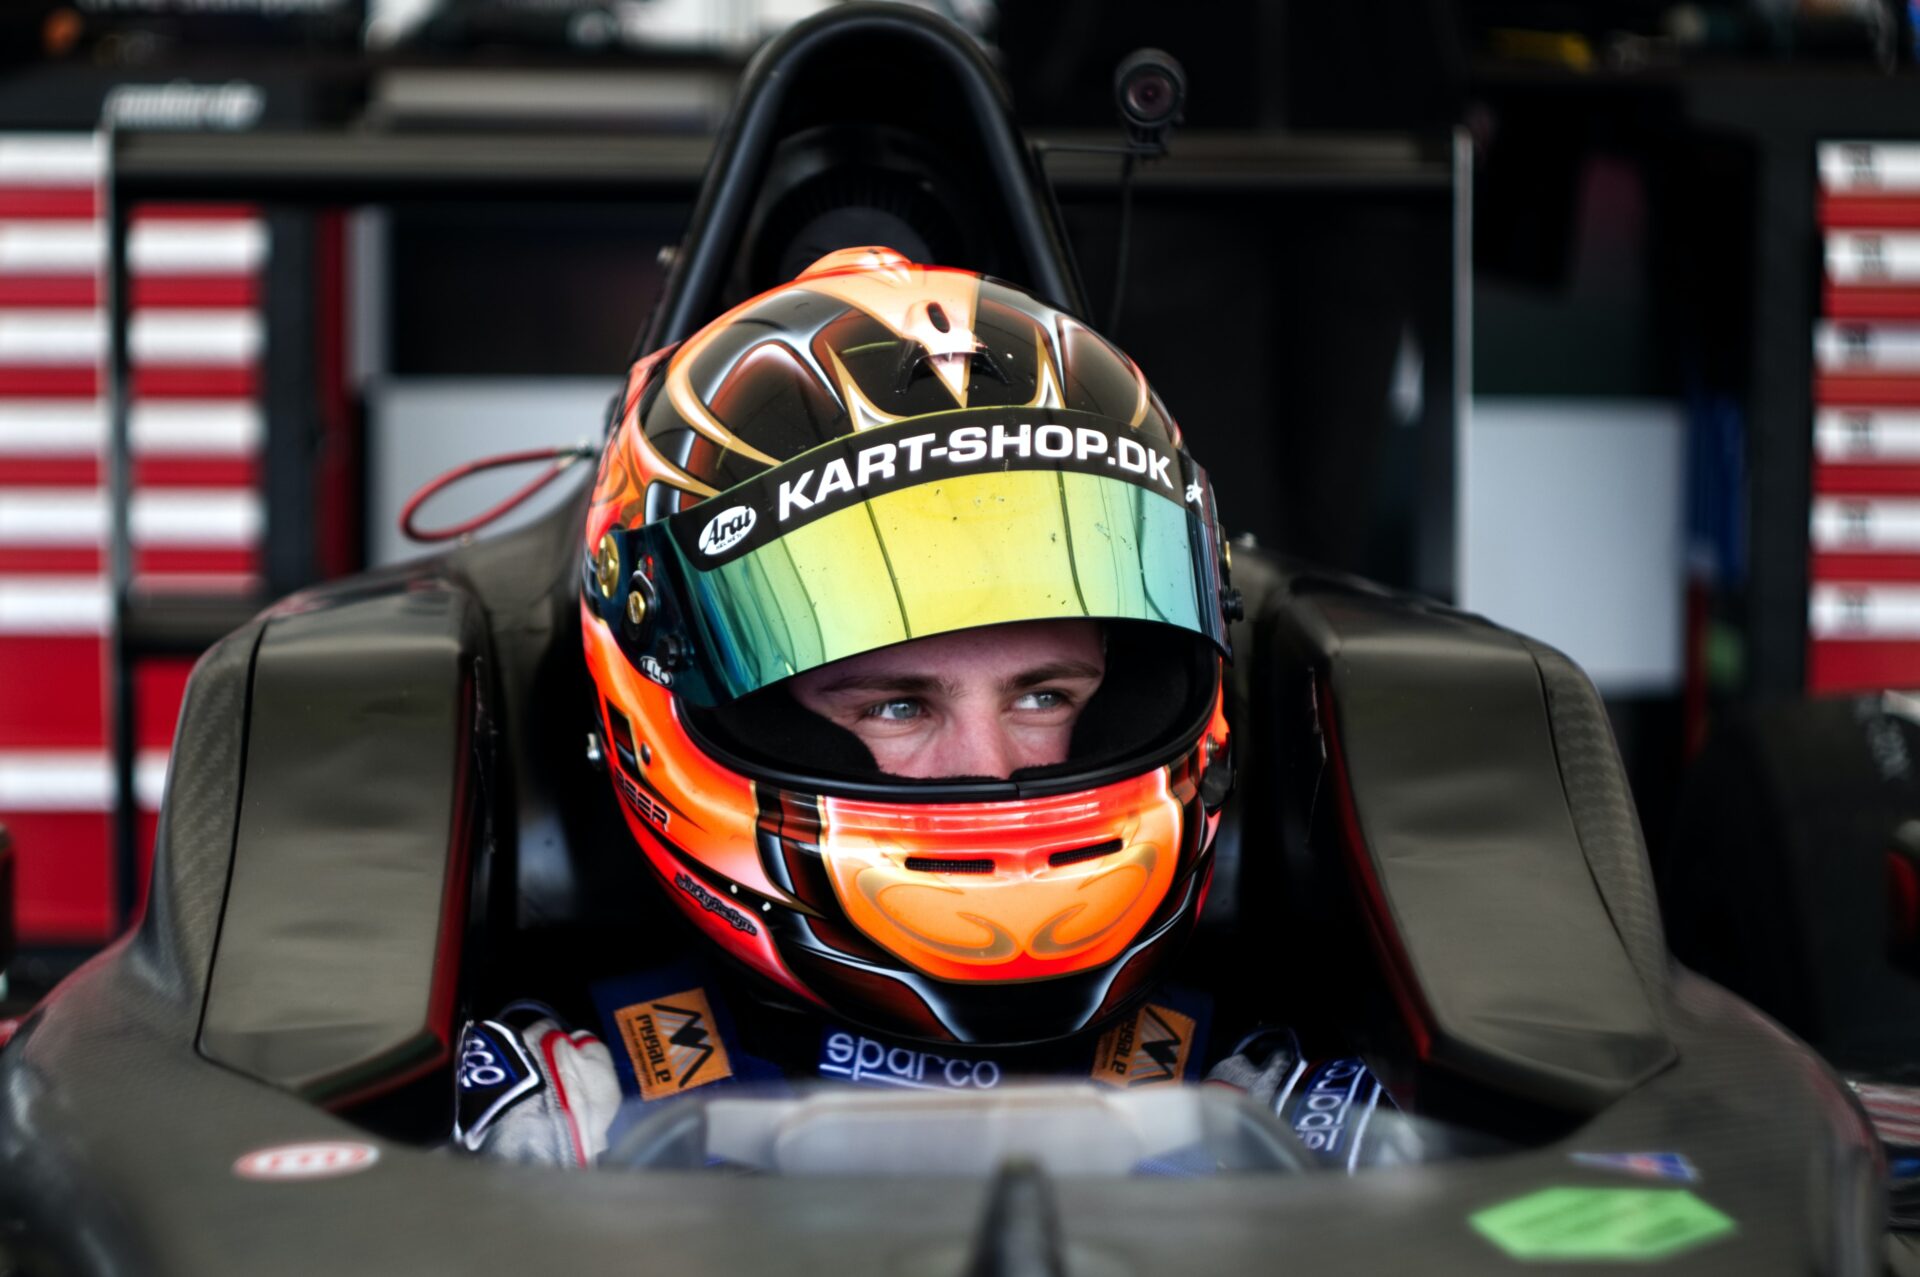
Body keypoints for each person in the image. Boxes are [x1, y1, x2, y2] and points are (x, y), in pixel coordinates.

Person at [453, 248, 1390, 1169]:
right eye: (898, 705)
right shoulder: (556, 1123)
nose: (987, 766)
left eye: (1044, 694)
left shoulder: (1288, 1116)